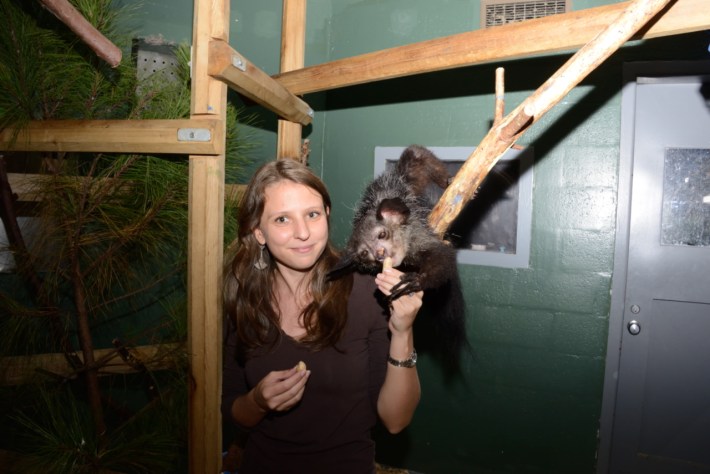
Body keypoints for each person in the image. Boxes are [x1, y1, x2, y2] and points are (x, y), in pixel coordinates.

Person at [222, 159, 423, 473]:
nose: (302, 232)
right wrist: (258, 402)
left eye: (312, 214)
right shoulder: (245, 299)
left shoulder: (367, 293)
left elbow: (396, 421)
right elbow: (233, 411)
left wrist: (403, 331)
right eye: (282, 219)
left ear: (327, 215)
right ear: (258, 232)